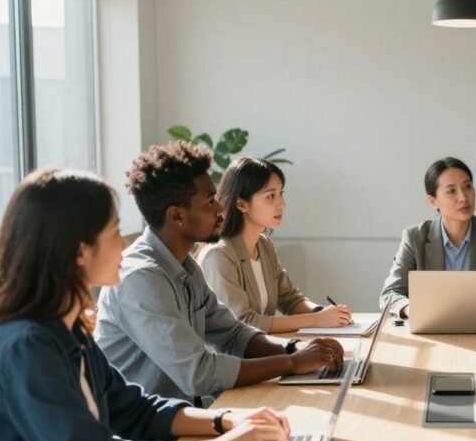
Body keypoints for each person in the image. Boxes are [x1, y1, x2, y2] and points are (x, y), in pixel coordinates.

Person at [0, 170, 294, 441]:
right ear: (80, 251)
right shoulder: (25, 346)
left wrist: (228, 421)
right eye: (114, 232)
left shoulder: (66, 331)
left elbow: (135, 409)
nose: (124, 244)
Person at [96, 141, 344, 404]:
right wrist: (292, 362)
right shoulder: (141, 278)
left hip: (184, 415)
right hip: (148, 434)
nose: (220, 209)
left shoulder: (185, 266)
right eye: (209, 202)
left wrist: (297, 349)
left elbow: (232, 334)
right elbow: (199, 374)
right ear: (177, 216)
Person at [198, 156, 353, 333]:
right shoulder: (218, 255)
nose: (282, 205)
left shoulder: (263, 245)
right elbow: (242, 323)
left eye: (281, 194)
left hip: (263, 351)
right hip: (233, 358)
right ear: (241, 204)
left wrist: (326, 313)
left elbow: (289, 298)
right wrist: (316, 320)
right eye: (270, 196)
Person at [379, 157, 476, 318]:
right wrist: (411, 309)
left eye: (468, 186)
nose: (463, 197)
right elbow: (390, 294)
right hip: (430, 332)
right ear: (433, 201)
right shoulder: (415, 238)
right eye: (451, 191)